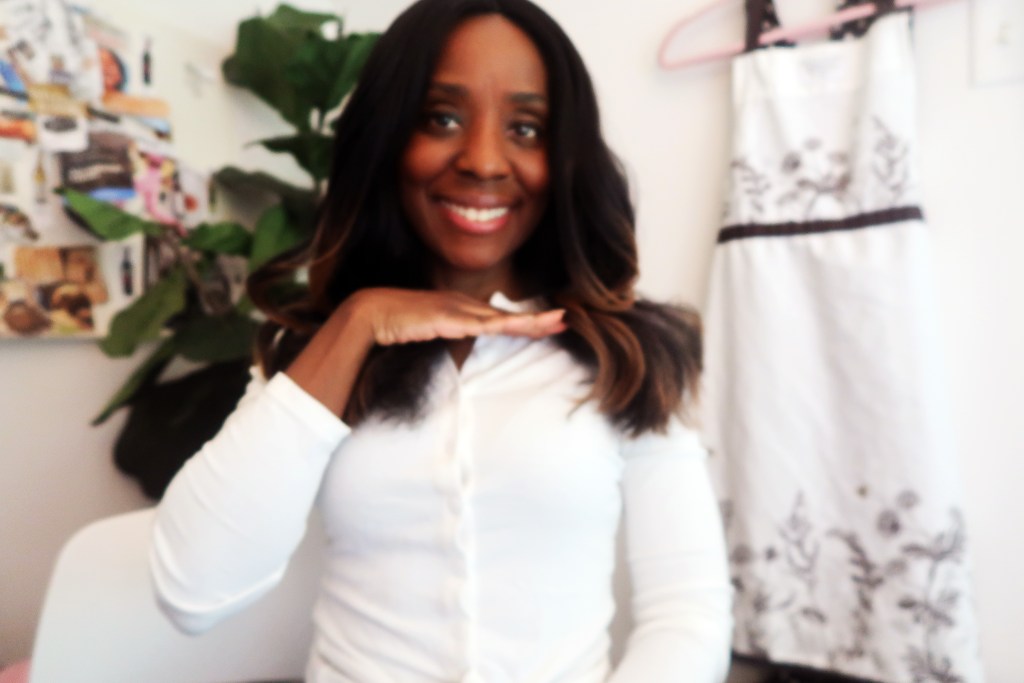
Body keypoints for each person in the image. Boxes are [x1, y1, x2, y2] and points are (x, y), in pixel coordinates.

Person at [149, 0, 733, 681]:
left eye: (526, 127)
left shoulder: (629, 354)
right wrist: (358, 321)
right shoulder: (311, 348)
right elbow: (192, 589)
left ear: (563, 152)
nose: (484, 160)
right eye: (442, 118)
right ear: (389, 136)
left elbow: (687, 610)